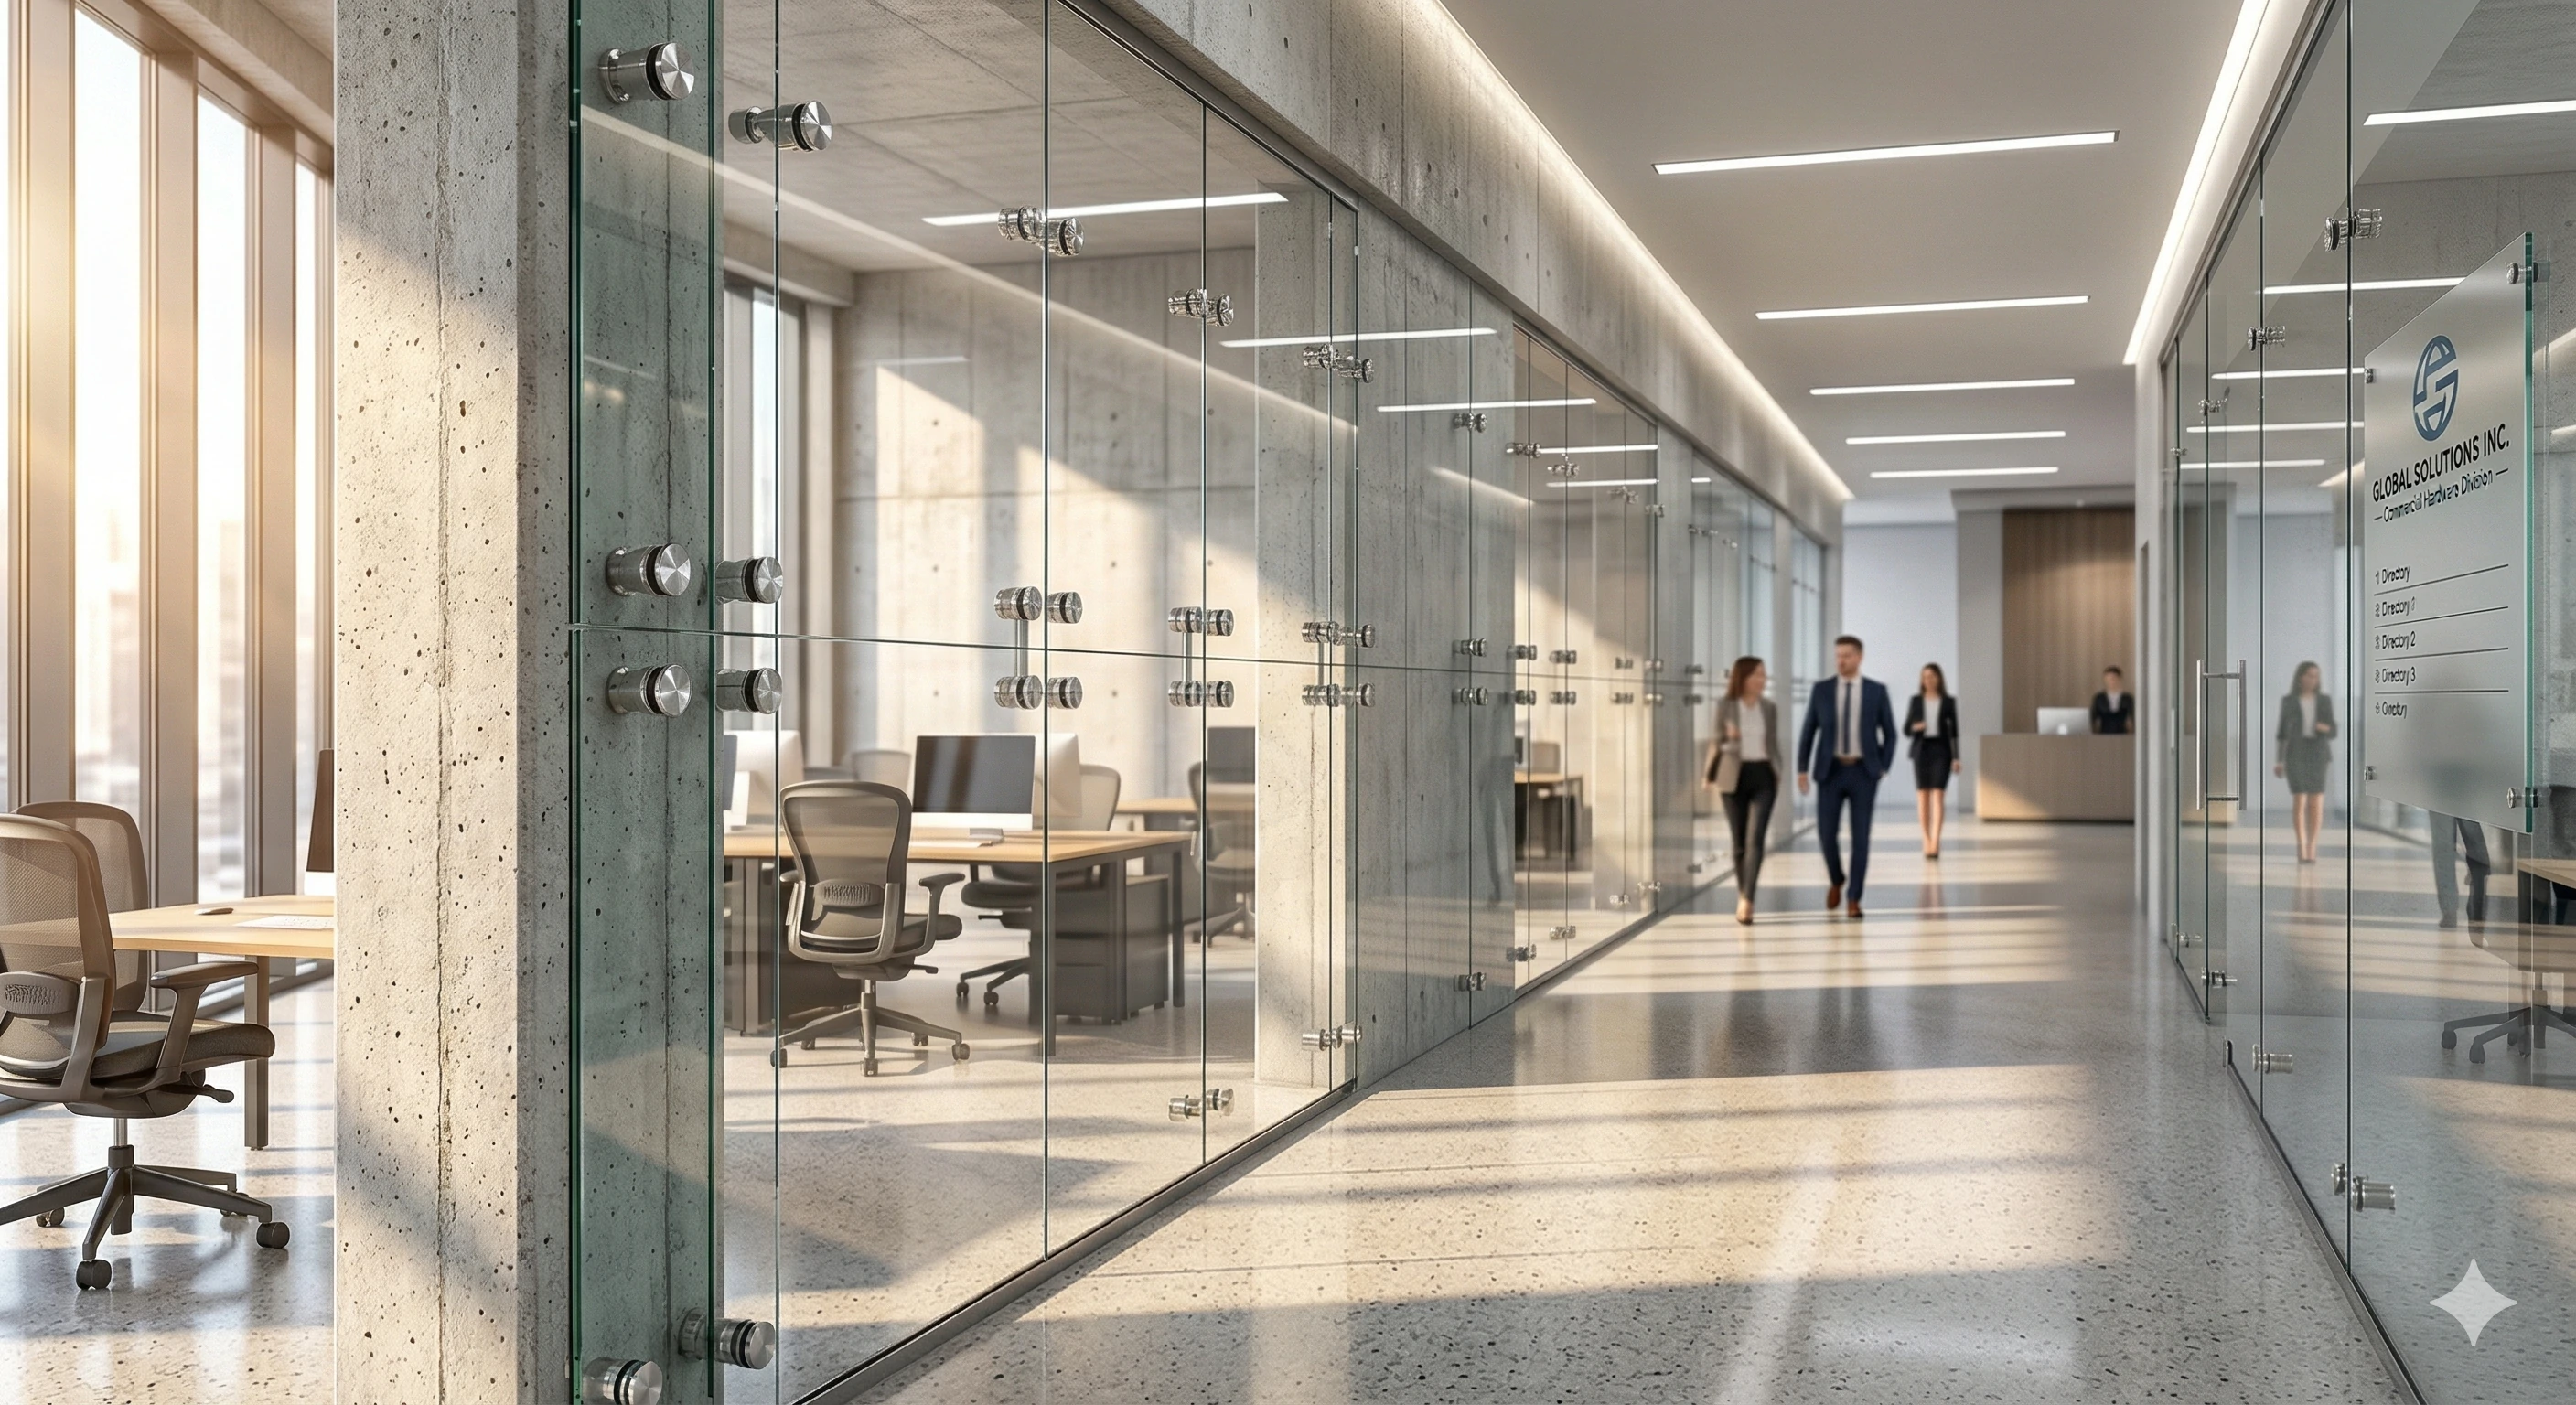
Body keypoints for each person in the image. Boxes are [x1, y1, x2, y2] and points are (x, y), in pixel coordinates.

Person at [1798, 635, 1897, 918]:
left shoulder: (1876, 691)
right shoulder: (1822, 690)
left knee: (1861, 837)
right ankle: (1837, 878)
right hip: (1830, 772)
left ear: (1859, 657)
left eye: (1846, 656)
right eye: (1837, 656)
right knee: (1826, 834)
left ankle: (1854, 897)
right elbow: (1808, 732)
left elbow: (1890, 733)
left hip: (1864, 773)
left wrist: (1882, 767)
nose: (1840, 661)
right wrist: (1802, 769)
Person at [1707, 656, 1785, 925]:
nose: (1762, 680)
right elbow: (1717, 741)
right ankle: (1743, 891)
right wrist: (1729, 742)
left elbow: (1772, 743)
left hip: (1763, 775)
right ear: (1743, 677)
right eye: (1757, 675)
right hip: (1732, 776)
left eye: (1764, 675)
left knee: (1756, 839)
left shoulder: (1769, 707)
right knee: (1739, 842)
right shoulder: (1726, 706)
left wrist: (1779, 770)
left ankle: (1747, 899)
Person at [2272, 660, 2335, 864]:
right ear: (2300, 677)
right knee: (2300, 800)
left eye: (2316, 676)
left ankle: (2312, 846)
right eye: (2309, 675)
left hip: (2318, 753)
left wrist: (2323, 728)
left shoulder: (2324, 700)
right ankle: (2301, 845)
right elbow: (2282, 733)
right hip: (2295, 753)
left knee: (2316, 802)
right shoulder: (2289, 701)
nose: (2313, 679)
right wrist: (2279, 760)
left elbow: (2333, 730)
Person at [1905, 663, 1961, 859]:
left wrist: (1956, 757)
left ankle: (1936, 841)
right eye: (1925, 677)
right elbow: (1906, 729)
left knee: (1938, 795)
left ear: (1939, 678)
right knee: (1923, 796)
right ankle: (1925, 839)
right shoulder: (1916, 701)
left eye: (1932, 676)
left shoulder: (1948, 701)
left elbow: (1954, 733)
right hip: (1921, 750)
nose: (1928, 680)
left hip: (1942, 750)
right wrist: (1916, 727)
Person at [2090, 666, 2133, 735]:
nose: (2111, 681)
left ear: (2119, 679)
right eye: (2108, 679)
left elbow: (2133, 717)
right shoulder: (2099, 698)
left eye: (2113, 678)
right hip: (2103, 733)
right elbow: (2092, 717)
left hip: (2123, 733)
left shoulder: (2127, 698)